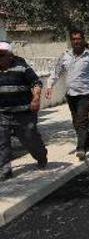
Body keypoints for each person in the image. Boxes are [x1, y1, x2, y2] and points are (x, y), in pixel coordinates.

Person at [46, 29, 89, 160]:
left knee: (82, 120)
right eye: (73, 39)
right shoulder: (65, 56)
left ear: (83, 40)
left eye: (78, 39)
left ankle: (81, 148)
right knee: (76, 122)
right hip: (70, 94)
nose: (76, 41)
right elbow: (56, 72)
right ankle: (87, 140)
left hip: (86, 93)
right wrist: (50, 86)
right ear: (71, 41)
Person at [0, 42, 48, 181]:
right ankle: (5, 169)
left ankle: (41, 155)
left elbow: (36, 83)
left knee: (30, 139)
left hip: (24, 113)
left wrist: (36, 99)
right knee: (2, 142)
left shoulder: (21, 66)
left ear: (10, 56)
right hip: (2, 113)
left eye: (1, 55)